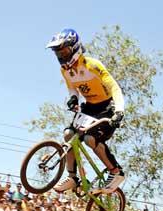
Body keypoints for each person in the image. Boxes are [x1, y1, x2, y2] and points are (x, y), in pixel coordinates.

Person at [46, 28, 125, 194]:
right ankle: (73, 177)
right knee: (69, 134)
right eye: (58, 53)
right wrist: (73, 98)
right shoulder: (65, 70)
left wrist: (119, 111)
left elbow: (114, 87)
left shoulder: (92, 65)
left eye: (65, 51)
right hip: (89, 107)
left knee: (90, 138)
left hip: (107, 108)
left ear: (75, 48)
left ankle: (116, 172)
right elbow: (72, 87)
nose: (62, 56)